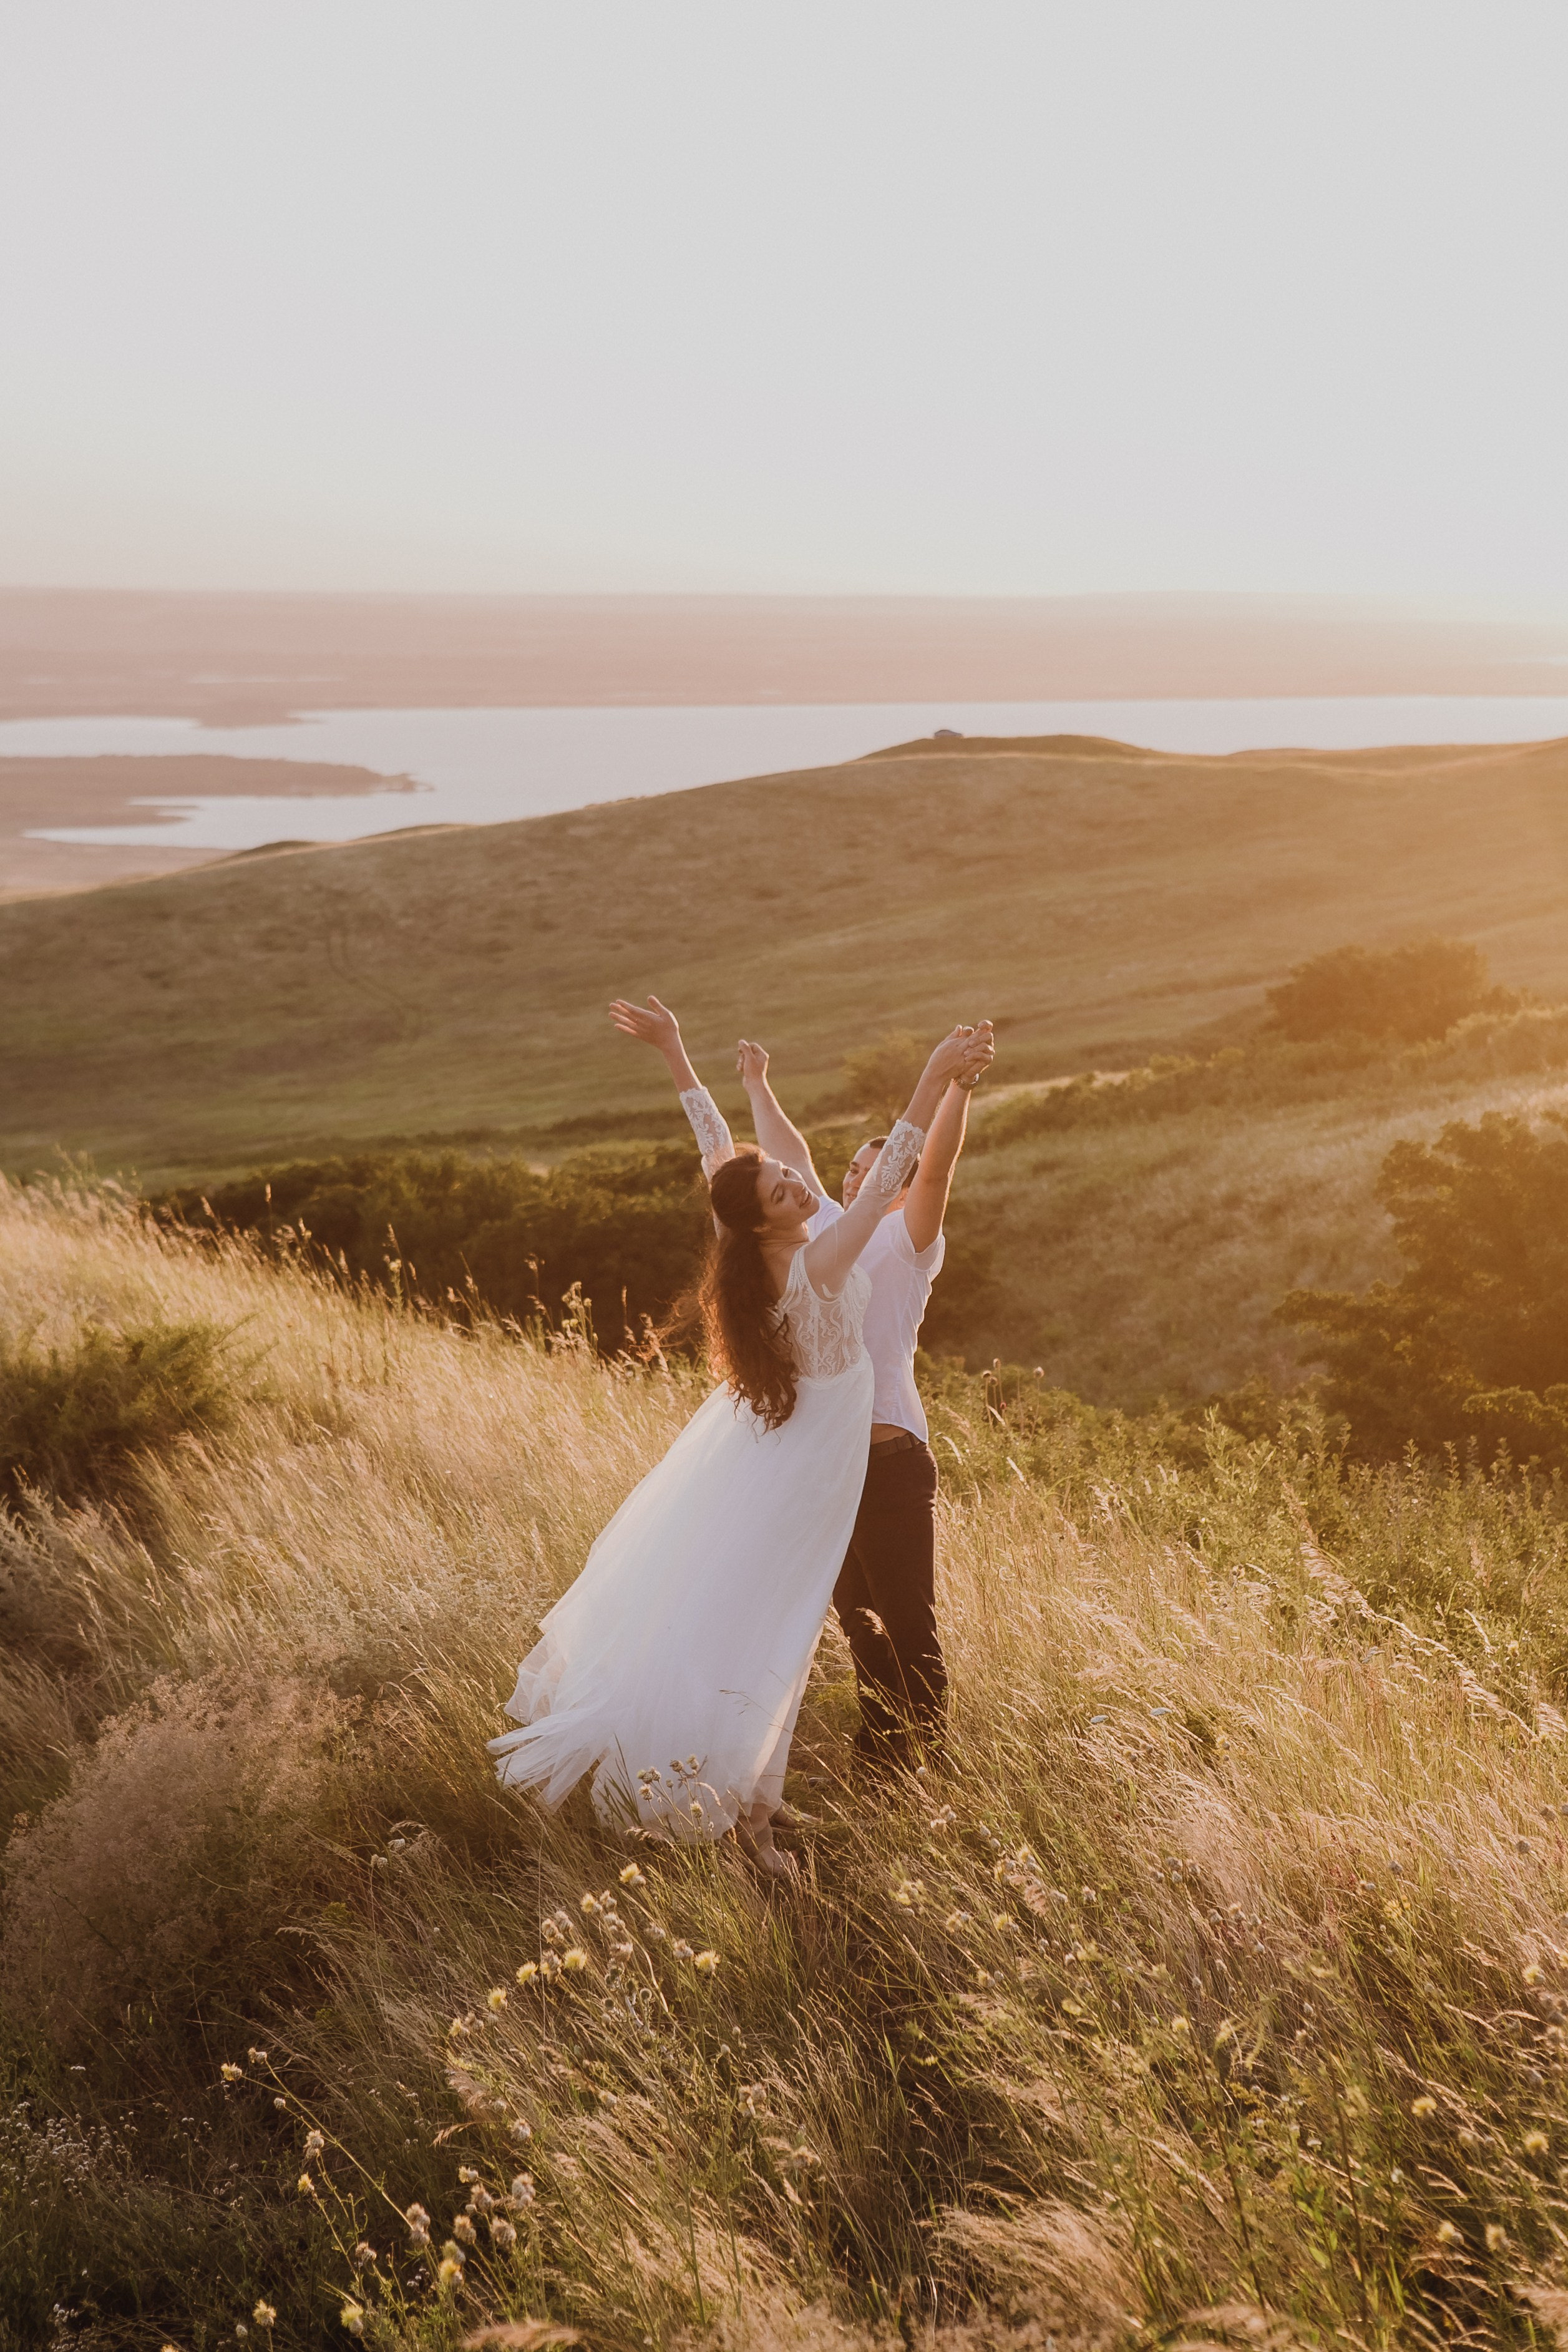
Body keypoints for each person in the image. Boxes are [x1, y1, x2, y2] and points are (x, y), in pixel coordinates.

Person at [487, 1020, 991, 1876]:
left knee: (799, 1631)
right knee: (798, 1636)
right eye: (788, 1189)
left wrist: (681, 1058)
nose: (801, 1184)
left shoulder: (755, 1250)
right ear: (767, 1218)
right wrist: (935, 1072)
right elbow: (876, 1182)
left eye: (796, 1179)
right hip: (829, 1477)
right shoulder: (817, 1257)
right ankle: (754, 1820)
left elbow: (724, 1155)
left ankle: (763, 1808)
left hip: (810, 1473)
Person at [611, 997, 993, 1766]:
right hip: (825, 1471)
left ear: (895, 1184)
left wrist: (955, 1087)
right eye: (845, 1162)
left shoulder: (901, 1238)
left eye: (872, 1165)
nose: (847, 1171)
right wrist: (753, 1086)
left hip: (885, 1459)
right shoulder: (813, 1236)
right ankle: (882, 1766)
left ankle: (934, 1772)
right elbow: (747, 1161)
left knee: (909, 1628)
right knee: (863, 1632)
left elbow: (931, 1167)